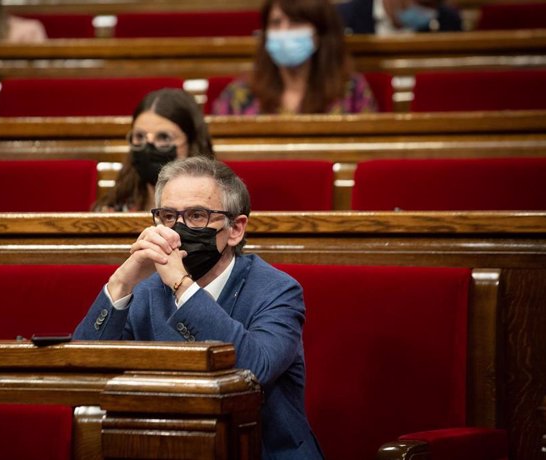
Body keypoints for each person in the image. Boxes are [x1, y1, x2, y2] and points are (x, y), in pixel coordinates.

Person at [74, 157, 325, 459]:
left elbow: (253, 371)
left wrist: (183, 285)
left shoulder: (277, 291)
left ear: (236, 229)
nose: (178, 230)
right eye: (168, 216)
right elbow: (84, 373)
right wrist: (121, 282)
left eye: (196, 216)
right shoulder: (145, 289)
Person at [212, 0, 377, 115]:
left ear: (319, 33)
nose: (284, 31)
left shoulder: (352, 90)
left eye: (296, 22)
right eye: (276, 23)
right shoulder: (240, 95)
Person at [94, 88, 215, 212]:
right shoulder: (112, 211)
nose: (148, 148)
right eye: (140, 136)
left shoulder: (213, 214)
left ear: (191, 143)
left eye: (164, 137)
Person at [337, 0, 463, 34]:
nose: (429, 12)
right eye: (422, 3)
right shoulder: (342, 18)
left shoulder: (448, 21)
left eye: (434, 4)